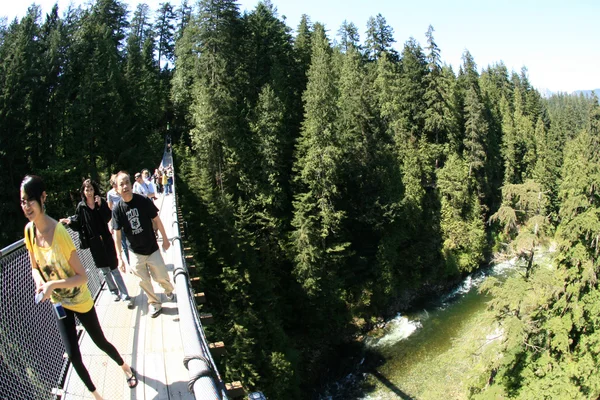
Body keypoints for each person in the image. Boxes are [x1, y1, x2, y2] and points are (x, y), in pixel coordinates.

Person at [20, 175, 138, 400]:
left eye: (30, 200)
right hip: (59, 303)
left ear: (43, 199)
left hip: (80, 300)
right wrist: (40, 284)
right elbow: (34, 266)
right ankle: (97, 396)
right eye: (23, 201)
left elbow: (82, 277)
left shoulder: (60, 233)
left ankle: (125, 367)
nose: (26, 206)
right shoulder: (29, 232)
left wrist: (52, 284)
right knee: (74, 355)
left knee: (100, 341)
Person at [59, 179, 134, 309]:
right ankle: (113, 291)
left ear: (95, 190)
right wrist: (69, 222)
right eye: (87, 190)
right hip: (95, 243)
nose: (89, 192)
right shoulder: (81, 207)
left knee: (114, 268)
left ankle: (125, 294)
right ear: (83, 191)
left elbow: (107, 218)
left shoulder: (101, 202)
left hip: (106, 239)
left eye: (91, 189)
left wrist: (100, 206)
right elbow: (79, 223)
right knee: (104, 270)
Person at [111, 171, 175, 318]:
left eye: (127, 182)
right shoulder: (117, 209)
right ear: (117, 189)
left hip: (151, 247)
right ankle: (154, 303)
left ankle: (168, 289)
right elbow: (117, 233)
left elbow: (157, 220)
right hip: (135, 252)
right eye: (122, 184)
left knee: (161, 276)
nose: (125, 186)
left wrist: (165, 239)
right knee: (143, 281)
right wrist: (119, 257)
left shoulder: (143, 201)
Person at [107, 174, 130, 264]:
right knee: (124, 243)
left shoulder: (122, 190)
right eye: (113, 184)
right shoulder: (110, 194)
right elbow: (110, 206)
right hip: (119, 220)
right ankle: (129, 262)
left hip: (127, 217)